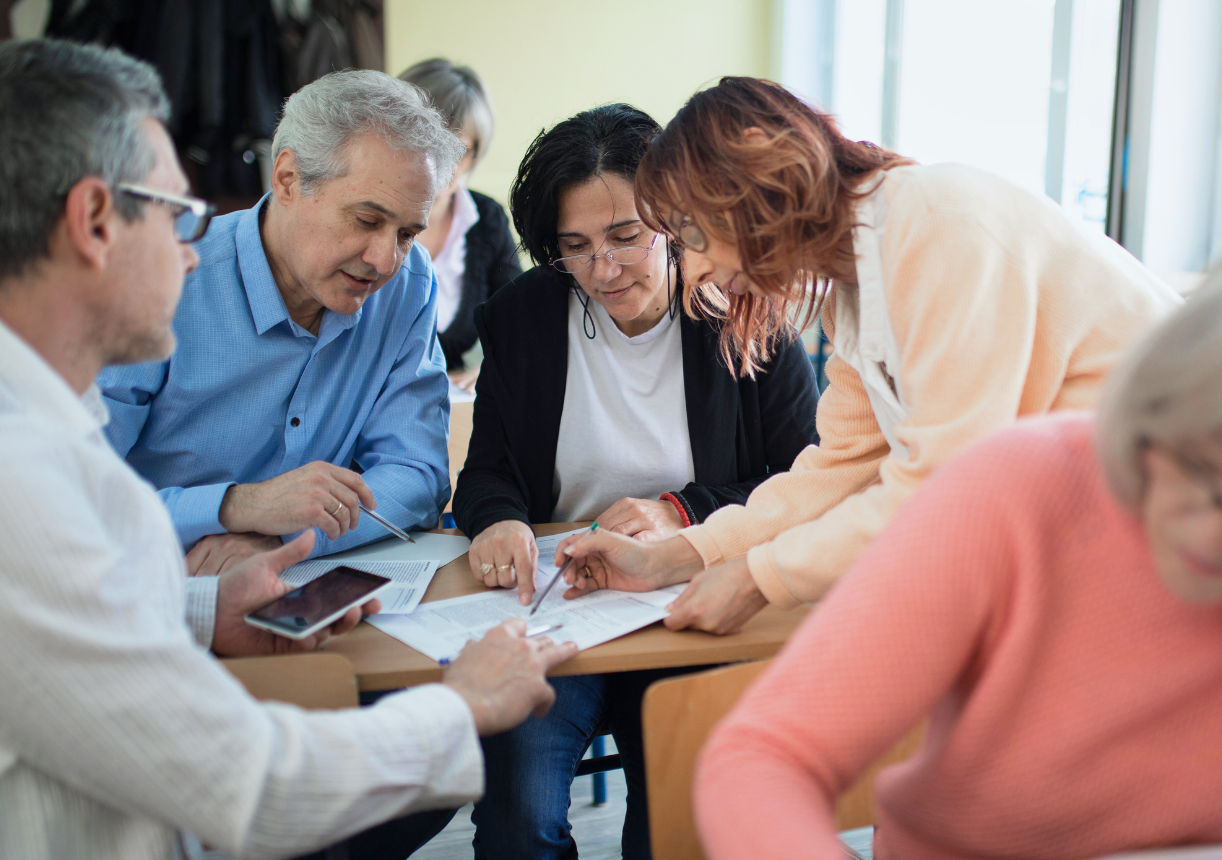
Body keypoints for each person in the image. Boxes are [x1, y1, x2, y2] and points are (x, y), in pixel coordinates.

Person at [0, 39, 575, 860]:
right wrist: (462, 705)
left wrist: (206, 608)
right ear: (95, 222)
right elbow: (243, 783)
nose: (192, 247)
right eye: (176, 214)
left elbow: (44, 617)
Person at [693, 214, 1222, 860]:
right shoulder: (1020, 489)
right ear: (1158, 403)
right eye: (1196, 464)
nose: (1215, 532)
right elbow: (763, 757)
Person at [555, 76, 1183, 633]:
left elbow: (942, 485)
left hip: (1184, 506)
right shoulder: (853, 281)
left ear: (749, 189)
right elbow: (839, 469)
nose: (691, 270)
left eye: (692, 235)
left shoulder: (935, 224)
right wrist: (671, 557)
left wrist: (757, 578)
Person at [452, 104, 821, 860]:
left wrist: (678, 511)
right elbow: (489, 468)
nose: (604, 269)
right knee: (519, 820)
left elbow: (803, 476)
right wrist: (497, 519)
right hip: (566, 606)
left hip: (698, 598)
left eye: (626, 237)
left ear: (674, 219)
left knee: (679, 827)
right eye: (575, 248)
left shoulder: (744, 304)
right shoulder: (523, 317)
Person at [98, 68, 456, 575]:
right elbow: (65, 491)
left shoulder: (409, 283)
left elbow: (417, 474)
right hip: (144, 585)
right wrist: (235, 506)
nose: (384, 260)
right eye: (366, 221)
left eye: (407, 233)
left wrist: (287, 539)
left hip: (303, 587)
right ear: (288, 178)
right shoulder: (166, 280)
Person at [398, 57, 522, 393]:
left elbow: (523, 319)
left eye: (458, 149)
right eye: (428, 140)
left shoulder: (486, 219)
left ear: (475, 155)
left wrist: (494, 365)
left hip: (447, 400)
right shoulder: (365, 215)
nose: (440, 163)